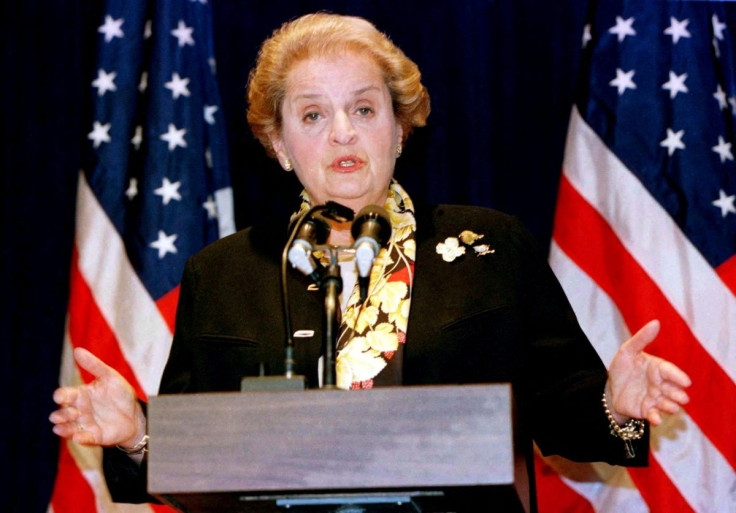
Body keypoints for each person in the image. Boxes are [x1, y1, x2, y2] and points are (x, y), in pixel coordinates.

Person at [50, 12, 691, 511]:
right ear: (277, 143)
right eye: (312, 114)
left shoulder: (490, 249)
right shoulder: (223, 273)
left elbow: (562, 412)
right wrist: (136, 430)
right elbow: (202, 458)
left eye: (363, 108)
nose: (343, 133)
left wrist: (616, 401)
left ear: (399, 125)